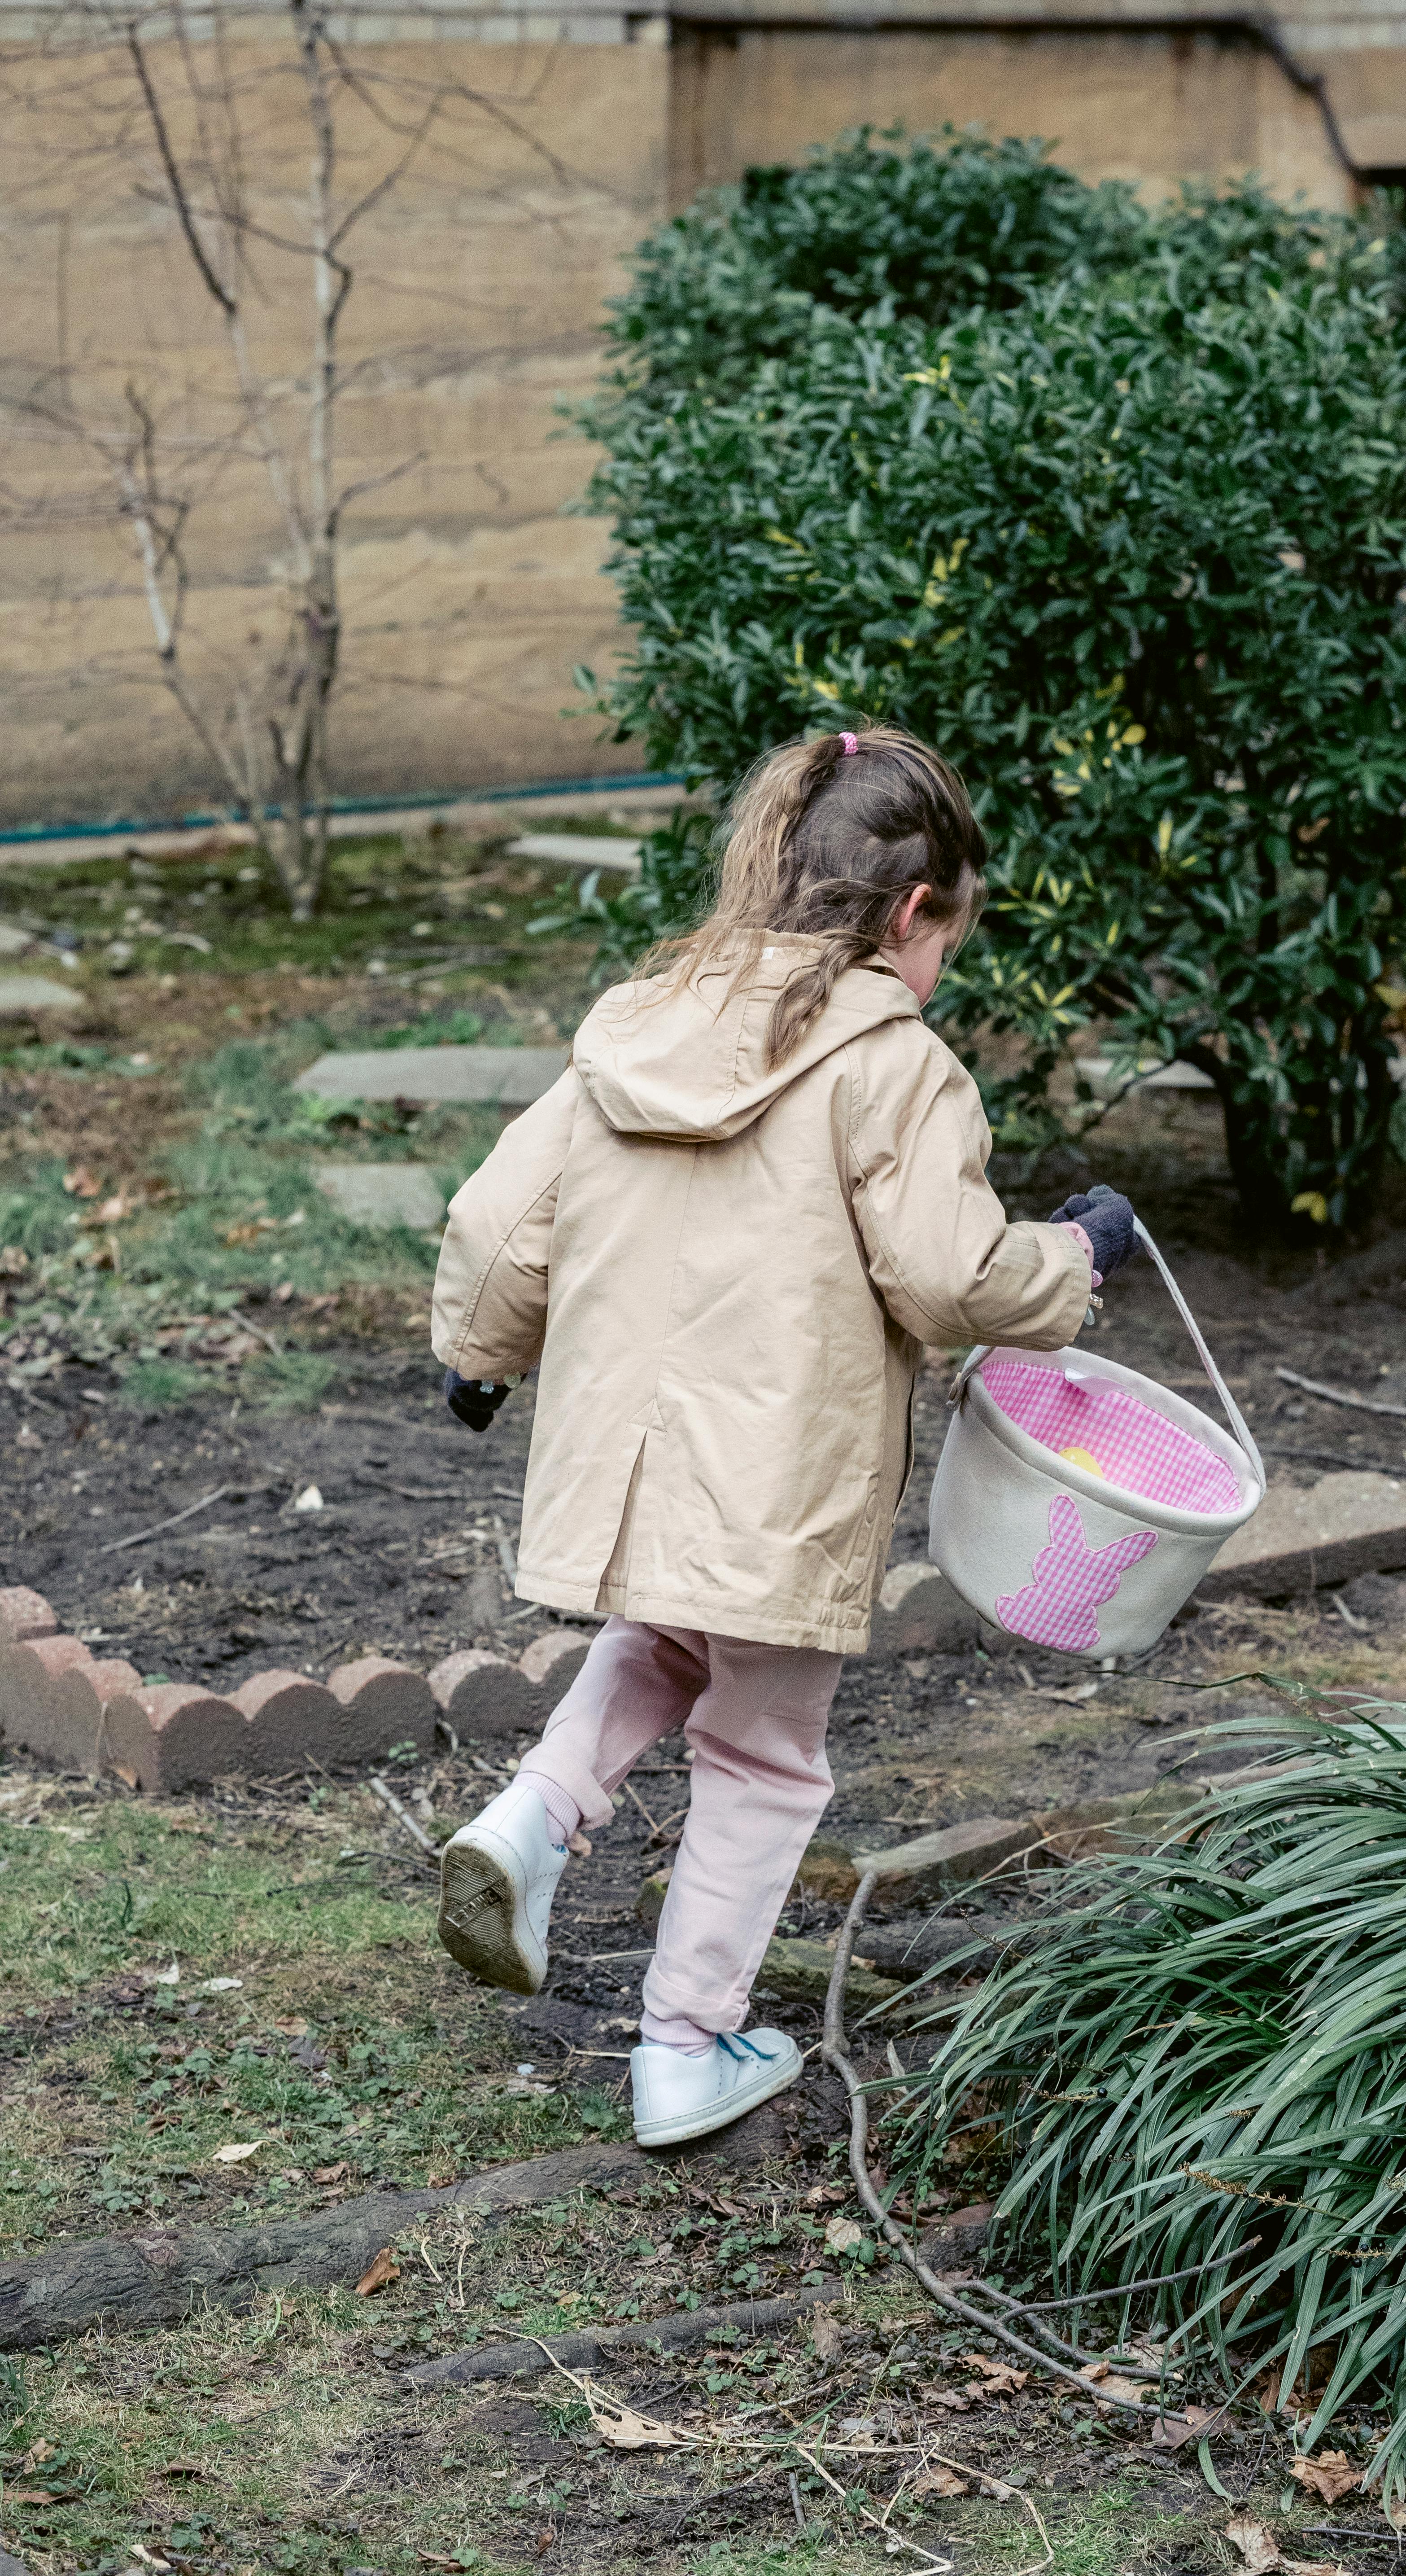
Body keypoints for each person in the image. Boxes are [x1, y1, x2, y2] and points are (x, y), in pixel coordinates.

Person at [428, 724, 1140, 2148]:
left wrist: (479, 1355)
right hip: (784, 1472)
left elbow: (505, 1218)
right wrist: (1072, 1259)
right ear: (910, 912)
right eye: (949, 935)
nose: (940, 969)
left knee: (663, 1637)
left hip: (632, 1459)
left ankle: (530, 1820)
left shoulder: (639, 1024)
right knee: (764, 1749)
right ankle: (687, 2045)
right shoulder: (894, 1065)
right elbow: (947, 1275)